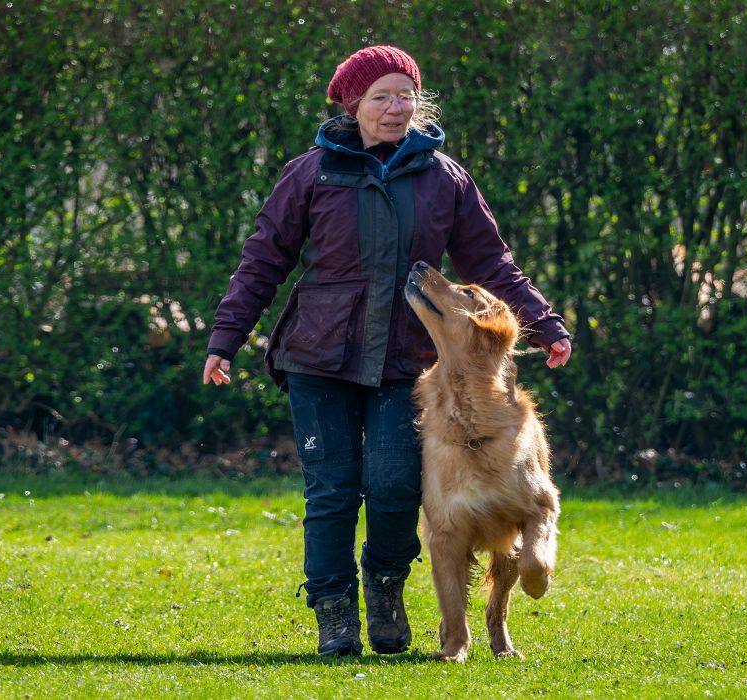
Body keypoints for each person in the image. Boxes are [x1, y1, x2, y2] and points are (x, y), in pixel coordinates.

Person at [203, 45, 571, 657]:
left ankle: (384, 587)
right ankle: (334, 614)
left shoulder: (444, 177)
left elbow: (490, 263)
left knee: (397, 486)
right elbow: (264, 258)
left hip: (406, 363)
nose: (397, 108)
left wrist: (544, 322)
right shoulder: (311, 173)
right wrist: (228, 336)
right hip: (319, 359)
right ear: (354, 106)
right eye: (382, 97)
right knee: (332, 491)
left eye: (406, 96)